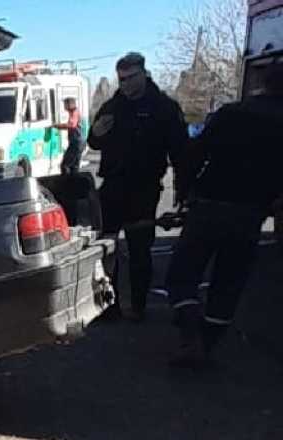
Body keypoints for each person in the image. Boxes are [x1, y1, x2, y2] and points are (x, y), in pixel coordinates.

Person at [164, 62, 283, 368]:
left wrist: (184, 192)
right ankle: (207, 342)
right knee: (229, 281)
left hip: (209, 205)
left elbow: (194, 154)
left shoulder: (230, 114)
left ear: (263, 84)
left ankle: (190, 333)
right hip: (250, 215)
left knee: (183, 272)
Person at [88, 52, 188, 322]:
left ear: (143, 74)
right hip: (113, 186)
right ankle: (109, 305)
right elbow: (93, 142)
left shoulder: (164, 107)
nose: (125, 85)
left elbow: (180, 152)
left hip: (144, 188)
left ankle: (138, 306)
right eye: (121, 79)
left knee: (139, 248)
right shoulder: (112, 106)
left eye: (130, 78)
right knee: (107, 246)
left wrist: (184, 189)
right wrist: (95, 133)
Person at [55, 97, 83, 174]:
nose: (64, 106)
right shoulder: (73, 112)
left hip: (76, 142)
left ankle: (66, 183)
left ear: (70, 104)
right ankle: (74, 183)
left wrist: (58, 126)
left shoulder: (74, 112)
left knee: (65, 165)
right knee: (74, 167)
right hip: (77, 142)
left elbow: (72, 125)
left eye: (65, 104)